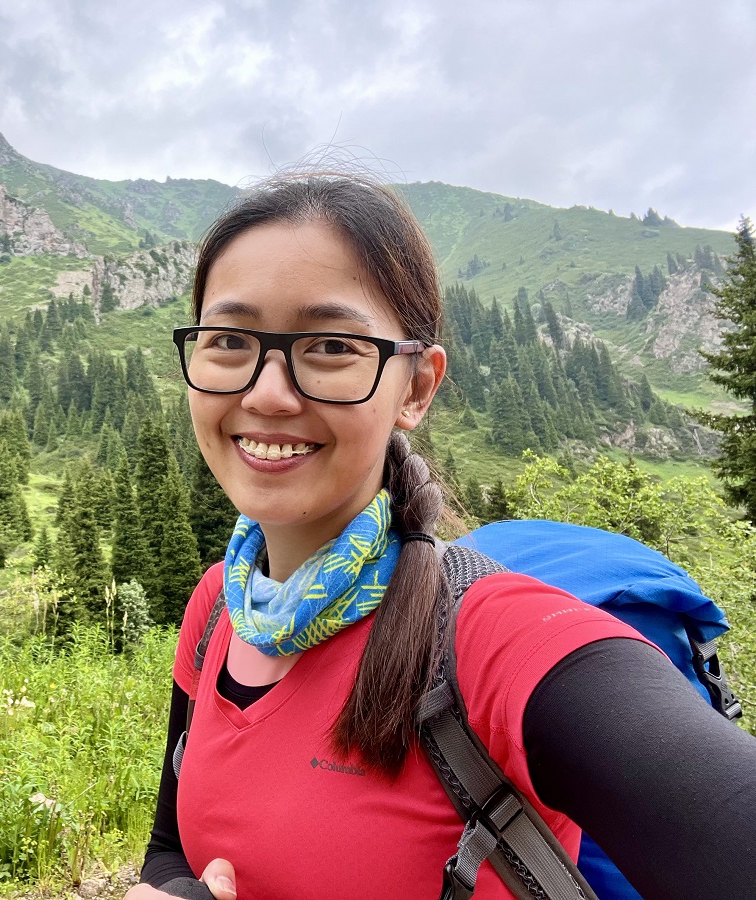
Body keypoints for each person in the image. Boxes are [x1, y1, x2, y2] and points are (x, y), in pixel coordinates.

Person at [124, 174, 756, 900]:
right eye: (230, 340)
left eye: (330, 345)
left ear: (417, 387)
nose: (267, 393)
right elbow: (171, 848)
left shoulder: (493, 639)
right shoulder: (218, 608)